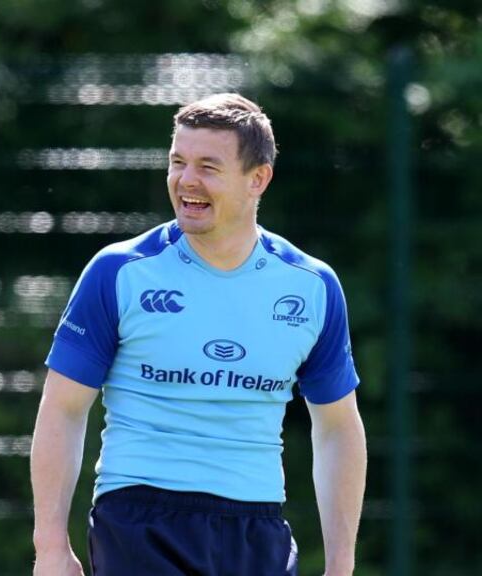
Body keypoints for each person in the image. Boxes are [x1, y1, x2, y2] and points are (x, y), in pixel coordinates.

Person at [30, 93, 367, 576]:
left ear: (258, 179)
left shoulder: (312, 287)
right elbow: (63, 408)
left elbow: (337, 427)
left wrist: (341, 565)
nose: (186, 180)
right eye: (177, 162)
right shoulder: (120, 272)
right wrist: (50, 546)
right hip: (139, 518)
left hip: (258, 526)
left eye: (208, 166)